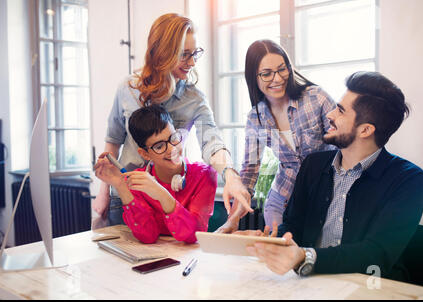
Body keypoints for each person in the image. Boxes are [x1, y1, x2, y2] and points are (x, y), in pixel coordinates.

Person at [246, 71, 423, 282]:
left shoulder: (409, 180)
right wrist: (265, 241)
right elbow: (293, 226)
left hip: (371, 290)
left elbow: (377, 255)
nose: (330, 115)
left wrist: (306, 257)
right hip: (310, 285)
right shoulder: (313, 165)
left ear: (366, 130)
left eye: (340, 111)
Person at [93, 13, 251, 227]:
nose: (192, 62)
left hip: (166, 200)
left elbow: (211, 140)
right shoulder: (127, 89)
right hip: (125, 198)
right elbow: (113, 140)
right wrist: (103, 192)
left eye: (195, 53)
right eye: (184, 55)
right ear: (161, 53)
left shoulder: (194, 98)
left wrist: (229, 174)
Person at [217, 39, 336, 232]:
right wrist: (233, 220)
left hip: (324, 191)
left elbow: (344, 144)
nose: (278, 78)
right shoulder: (256, 118)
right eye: (266, 74)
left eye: (282, 69)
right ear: (253, 77)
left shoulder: (316, 98)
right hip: (283, 196)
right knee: (278, 251)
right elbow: (249, 171)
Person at [94, 106, 217, 243]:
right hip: (157, 257)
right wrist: (121, 186)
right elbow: (147, 236)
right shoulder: (137, 180)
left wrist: (161, 194)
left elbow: (193, 236)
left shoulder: (205, 174)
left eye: (174, 138)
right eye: (159, 147)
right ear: (145, 154)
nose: (172, 149)